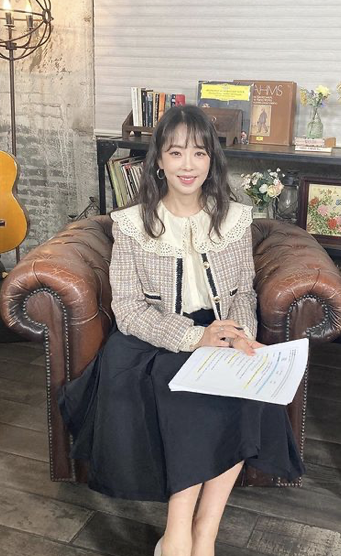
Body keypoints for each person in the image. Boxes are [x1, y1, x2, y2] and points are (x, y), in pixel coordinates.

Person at [58, 105, 305, 556]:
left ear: (212, 160)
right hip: (152, 338)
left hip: (220, 329)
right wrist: (193, 338)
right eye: (176, 153)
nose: (187, 165)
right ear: (158, 160)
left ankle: (204, 532)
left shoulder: (234, 219)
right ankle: (177, 532)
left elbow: (243, 292)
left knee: (247, 391)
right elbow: (128, 308)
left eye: (199, 153)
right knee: (186, 396)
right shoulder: (132, 225)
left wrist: (239, 333)